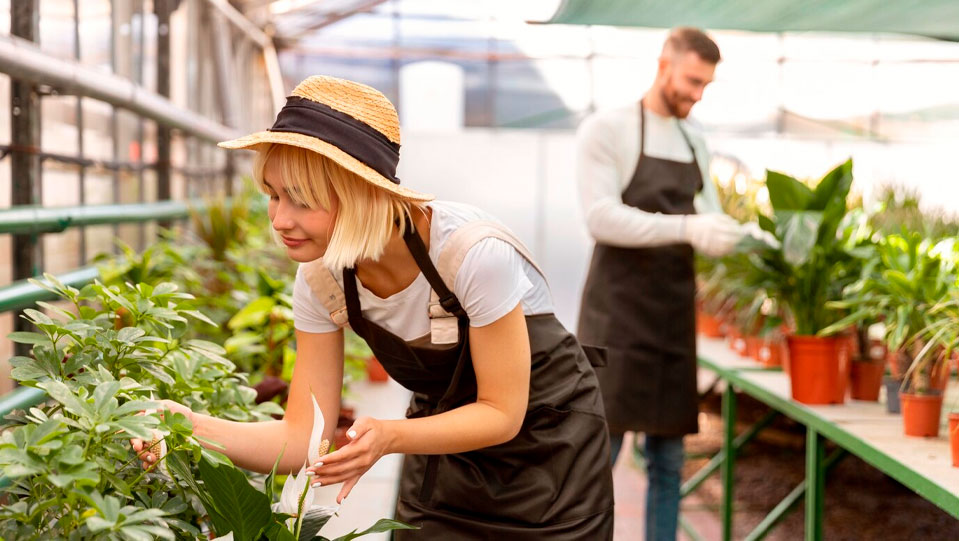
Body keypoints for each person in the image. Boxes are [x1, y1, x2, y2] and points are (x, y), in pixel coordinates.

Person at [133, 75, 614, 539]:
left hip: (551, 452)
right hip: (445, 446)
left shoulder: (471, 253)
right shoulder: (322, 282)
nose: (279, 219)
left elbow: (500, 412)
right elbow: (304, 439)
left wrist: (388, 436)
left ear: (360, 193)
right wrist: (185, 425)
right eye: (273, 196)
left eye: (300, 200)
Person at [576, 28, 756, 541]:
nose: (697, 95)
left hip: (672, 312)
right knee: (597, 456)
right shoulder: (608, 130)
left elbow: (707, 215)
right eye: (691, 81)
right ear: (664, 65)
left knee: (669, 459)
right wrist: (686, 228)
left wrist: (743, 237)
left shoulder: (693, 138)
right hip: (615, 312)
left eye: (706, 86)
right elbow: (600, 218)